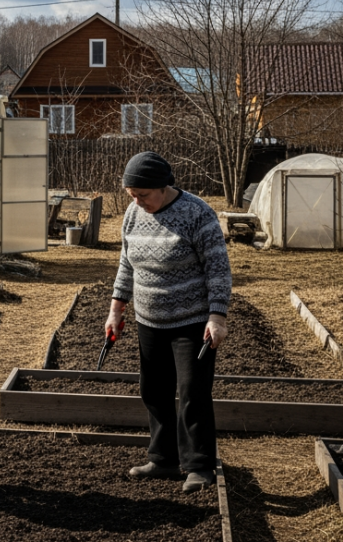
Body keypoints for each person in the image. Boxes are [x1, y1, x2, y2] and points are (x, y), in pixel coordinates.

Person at [107, 151, 231, 493]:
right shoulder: (133, 214)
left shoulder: (196, 213)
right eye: (132, 195)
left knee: (192, 392)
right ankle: (162, 460)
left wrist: (217, 317)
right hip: (149, 319)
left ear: (163, 187)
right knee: (154, 391)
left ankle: (199, 465)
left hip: (192, 323)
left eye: (143, 195)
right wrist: (116, 309)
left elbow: (218, 269)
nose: (137, 202)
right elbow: (126, 264)